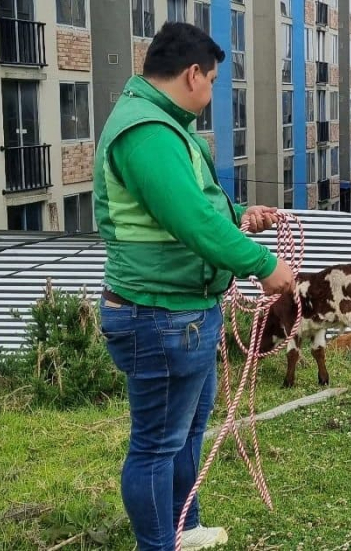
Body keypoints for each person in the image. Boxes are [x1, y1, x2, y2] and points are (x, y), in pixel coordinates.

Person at [92, 22, 295, 550]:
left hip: (182, 311)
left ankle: (184, 528)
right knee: (157, 445)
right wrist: (263, 265)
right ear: (192, 73)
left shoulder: (162, 125)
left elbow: (197, 207)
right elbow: (190, 222)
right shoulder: (147, 133)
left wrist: (240, 217)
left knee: (183, 433)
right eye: (212, 80)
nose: (211, 93)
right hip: (156, 315)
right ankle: (158, 545)